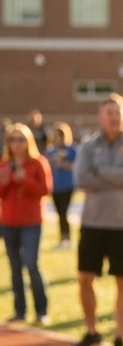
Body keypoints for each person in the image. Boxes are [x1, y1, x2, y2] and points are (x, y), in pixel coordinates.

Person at [72, 95, 123, 346]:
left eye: (118, 113)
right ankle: (92, 331)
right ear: (100, 116)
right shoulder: (88, 145)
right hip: (93, 222)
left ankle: (119, 336)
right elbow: (81, 178)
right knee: (85, 278)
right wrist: (114, 176)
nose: (114, 118)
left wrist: (99, 173)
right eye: (109, 113)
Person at [0, 124, 52, 324]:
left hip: (31, 221)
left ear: (28, 141)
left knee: (31, 264)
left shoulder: (38, 163)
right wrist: (4, 182)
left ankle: (41, 310)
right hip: (8, 221)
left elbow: (45, 190)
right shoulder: (5, 164)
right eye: (12, 140)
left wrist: (26, 180)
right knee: (14, 267)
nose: (16, 144)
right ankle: (20, 311)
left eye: (21, 139)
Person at [46, 122, 77, 247]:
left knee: (64, 211)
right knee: (59, 212)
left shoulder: (72, 149)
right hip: (55, 185)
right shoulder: (51, 150)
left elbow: (76, 166)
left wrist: (63, 163)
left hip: (67, 185)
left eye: (60, 135)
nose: (57, 137)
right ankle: (62, 238)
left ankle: (67, 238)